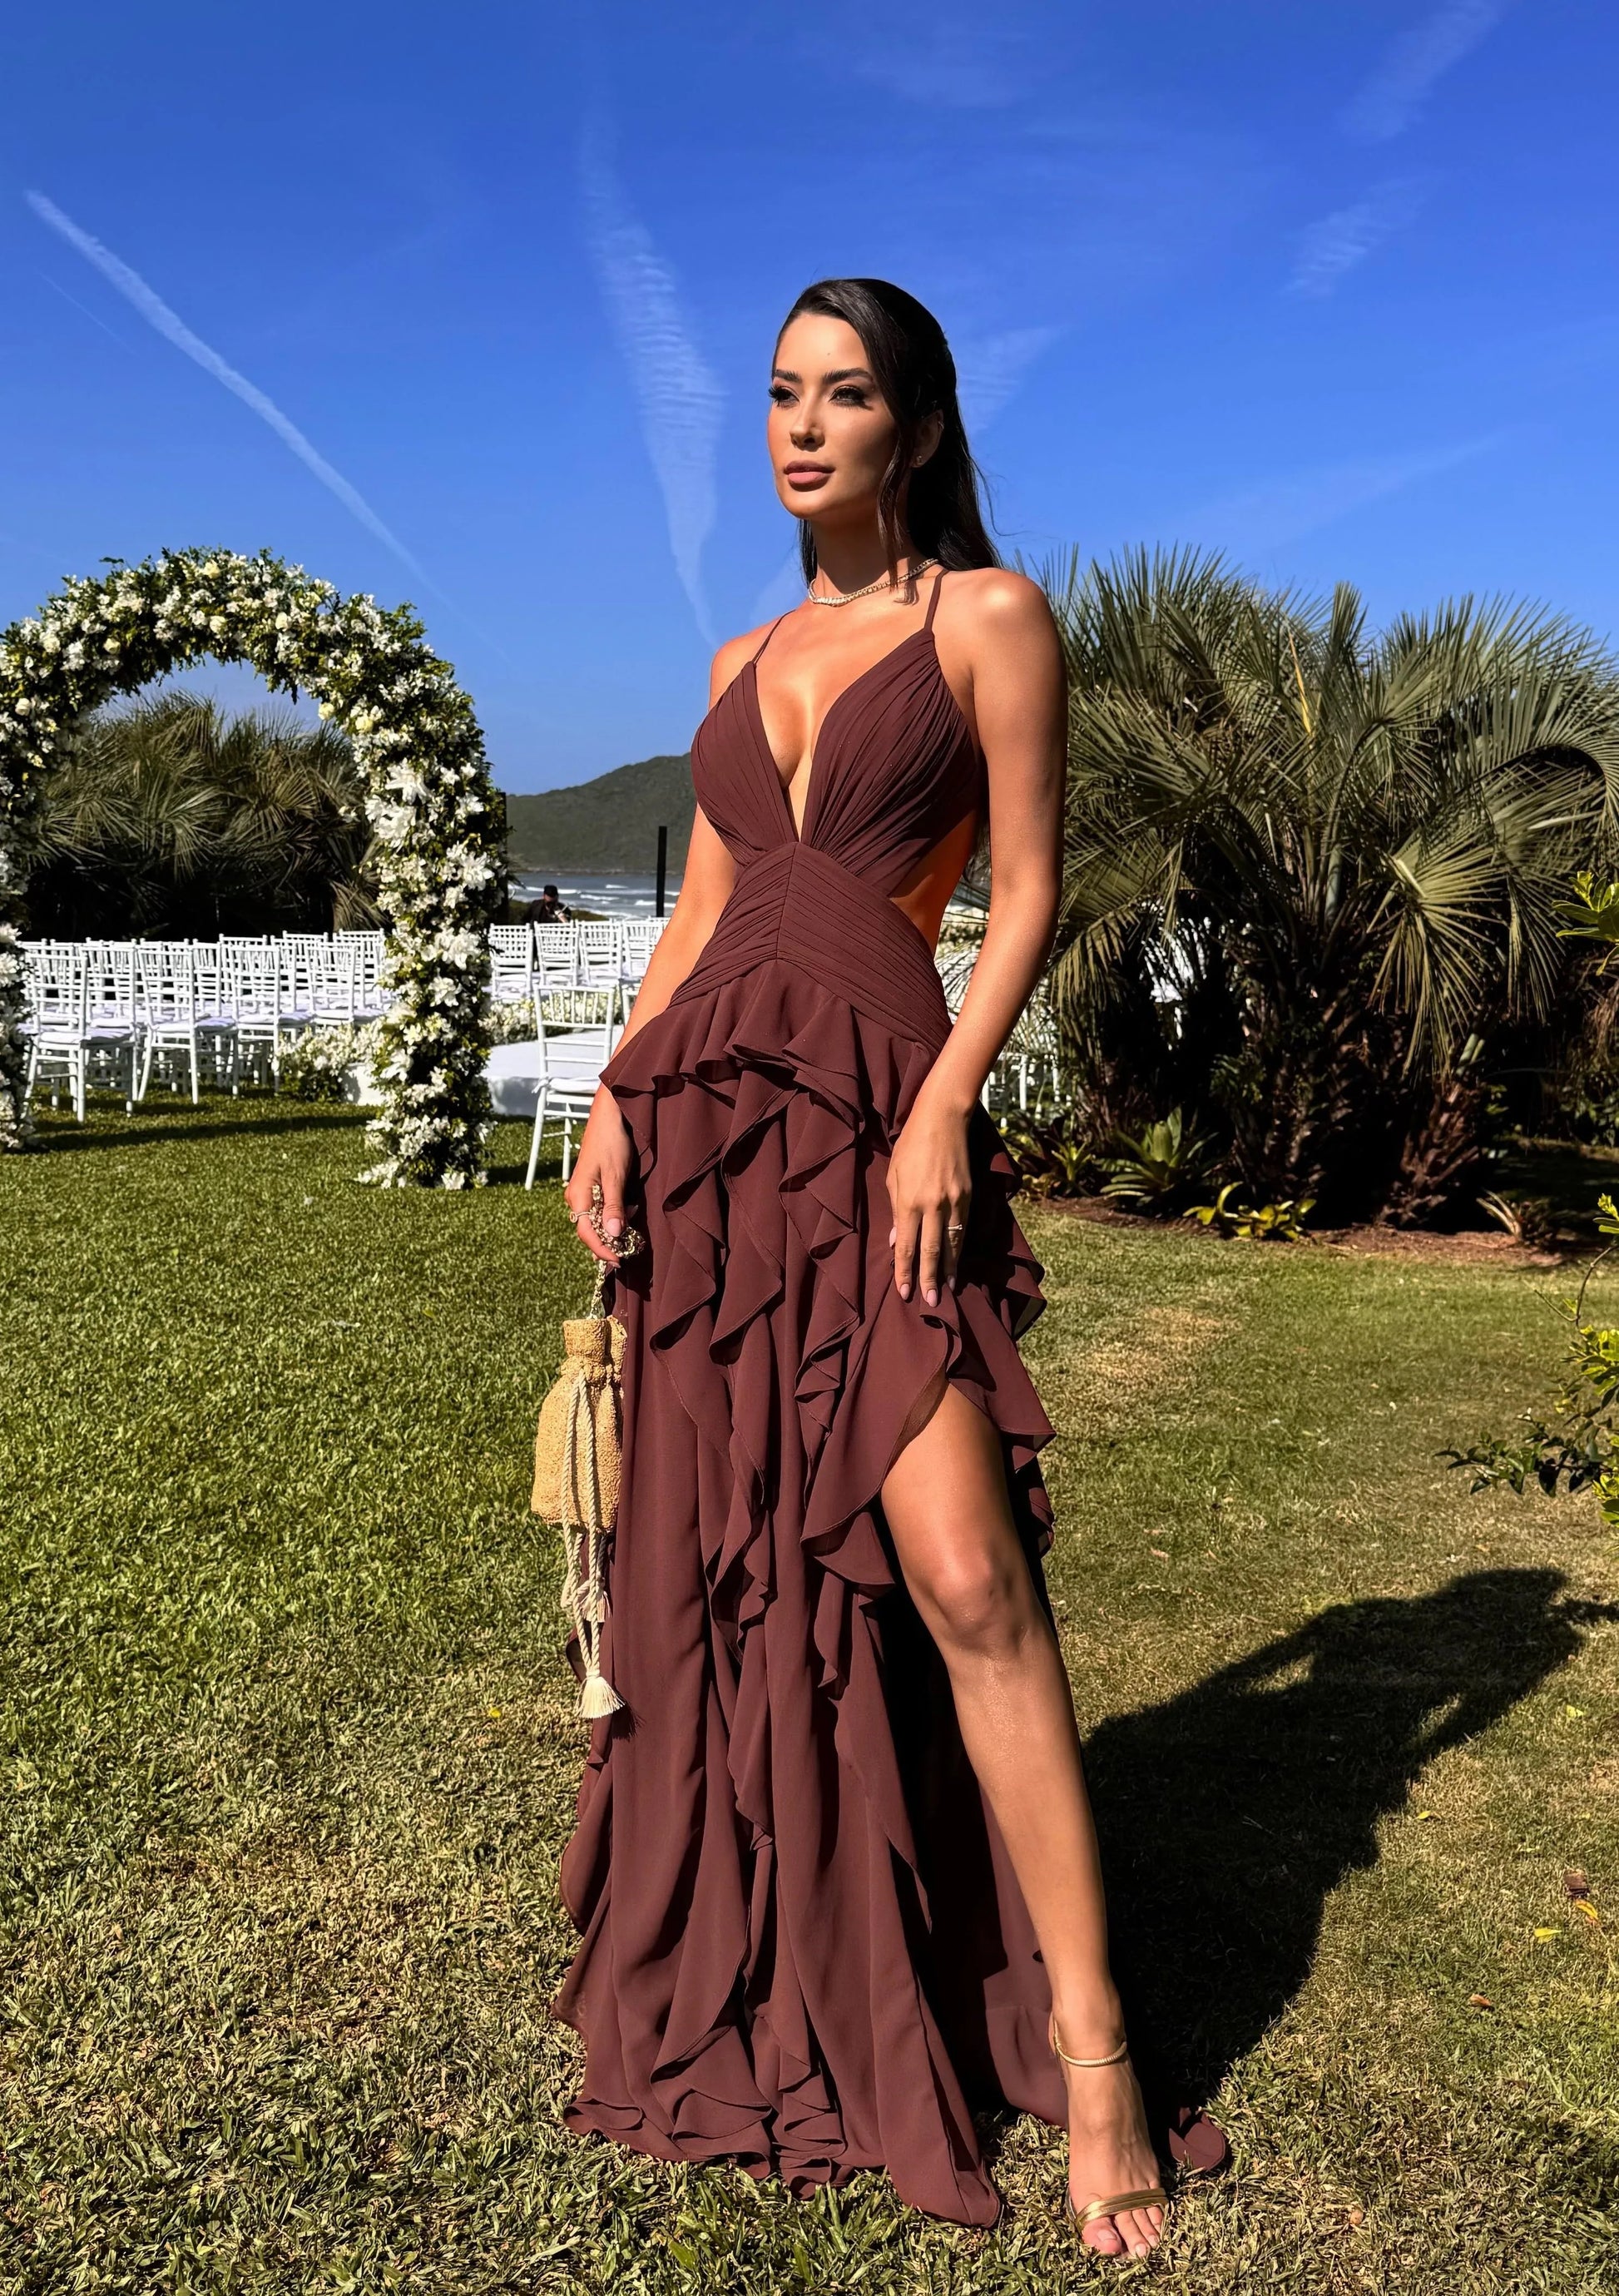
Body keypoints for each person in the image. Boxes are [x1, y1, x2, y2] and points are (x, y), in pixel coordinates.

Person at [556, 278, 1207, 2255]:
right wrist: (613, 1095)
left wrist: (941, 1105)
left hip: (877, 1127)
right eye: (779, 392)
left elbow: (1027, 887)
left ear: (915, 430)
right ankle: (799, 1949)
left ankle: (1094, 2054)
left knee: (962, 1573)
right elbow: (701, 918)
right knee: (743, 1563)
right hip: (712, 1142)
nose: (799, 426)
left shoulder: (988, 618)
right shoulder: (740, 652)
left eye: (843, 396)